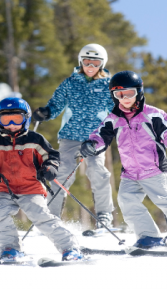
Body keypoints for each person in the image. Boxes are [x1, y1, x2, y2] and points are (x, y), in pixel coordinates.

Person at [80, 70, 167, 250]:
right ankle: (149, 236)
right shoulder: (113, 119)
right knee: (127, 201)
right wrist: (91, 144)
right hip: (130, 173)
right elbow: (100, 136)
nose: (125, 98)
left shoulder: (153, 114)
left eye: (129, 93)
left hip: (154, 169)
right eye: (119, 94)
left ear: (139, 92)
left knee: (165, 201)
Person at [0, 97, 84, 261]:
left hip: (32, 188)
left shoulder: (35, 139)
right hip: (6, 189)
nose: (11, 123)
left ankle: (70, 248)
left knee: (41, 216)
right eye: (6, 119)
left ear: (25, 119)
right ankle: (10, 249)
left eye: (17, 119)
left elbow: (51, 156)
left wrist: (50, 168)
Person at [32, 43, 115, 229]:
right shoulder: (71, 83)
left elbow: (116, 113)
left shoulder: (108, 86)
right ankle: (50, 216)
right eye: (87, 62)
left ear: (102, 64)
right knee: (62, 173)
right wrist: (46, 112)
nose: (90, 67)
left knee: (98, 171)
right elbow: (56, 104)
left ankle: (104, 215)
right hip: (70, 136)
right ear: (80, 62)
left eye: (95, 63)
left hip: (95, 139)